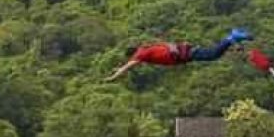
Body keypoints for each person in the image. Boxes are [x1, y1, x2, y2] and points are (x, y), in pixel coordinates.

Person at [105, 28, 252, 81]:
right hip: (187, 52)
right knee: (214, 55)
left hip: (188, 54)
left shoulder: (141, 54)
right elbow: (127, 65)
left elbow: (128, 67)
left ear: (132, 54)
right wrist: (118, 69)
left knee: (213, 54)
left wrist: (114, 76)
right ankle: (233, 39)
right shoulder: (146, 49)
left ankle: (232, 37)